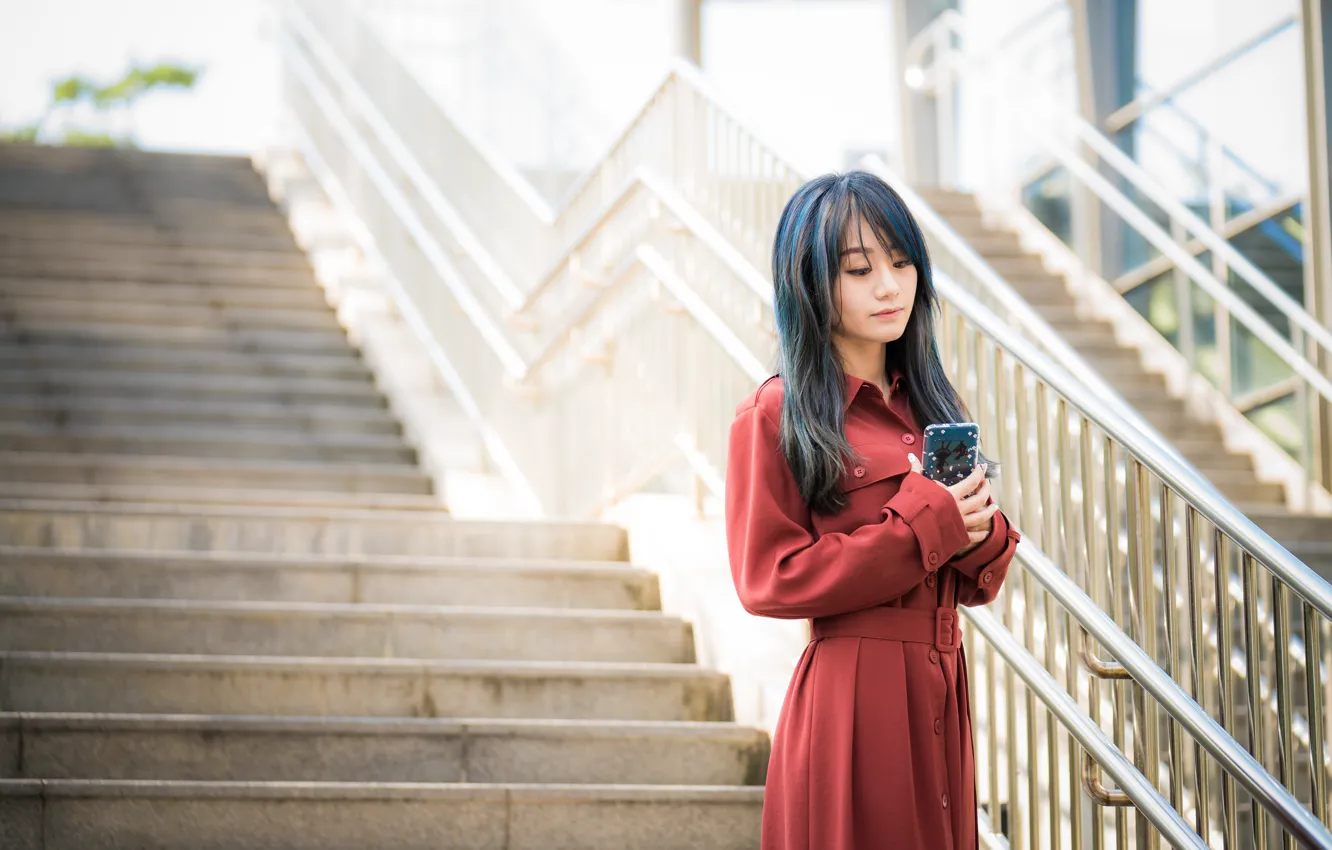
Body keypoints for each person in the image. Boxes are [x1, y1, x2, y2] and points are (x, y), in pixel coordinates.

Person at [723, 170, 1021, 849]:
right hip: (853, 693)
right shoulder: (774, 415)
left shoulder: (932, 408)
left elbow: (980, 577)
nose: (889, 286)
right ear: (811, 282)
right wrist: (924, 523)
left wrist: (977, 526)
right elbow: (768, 578)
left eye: (901, 261)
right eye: (859, 269)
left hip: (941, 681)